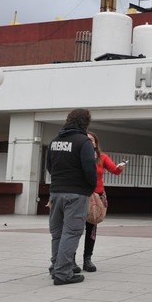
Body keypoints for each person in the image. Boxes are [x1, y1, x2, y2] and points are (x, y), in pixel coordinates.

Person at [46, 108, 97, 285]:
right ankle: (63, 273)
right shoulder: (84, 142)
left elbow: (50, 167)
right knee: (72, 232)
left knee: (57, 233)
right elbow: (90, 170)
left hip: (56, 193)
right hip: (76, 194)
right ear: (86, 122)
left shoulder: (55, 141)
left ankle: (55, 267)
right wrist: (89, 189)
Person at [76, 131, 126, 272]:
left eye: (91, 140)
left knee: (91, 229)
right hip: (80, 195)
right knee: (75, 229)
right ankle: (71, 260)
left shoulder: (102, 157)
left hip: (96, 198)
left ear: (96, 143)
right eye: (86, 139)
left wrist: (120, 167)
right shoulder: (77, 156)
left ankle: (87, 259)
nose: (89, 142)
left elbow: (114, 170)